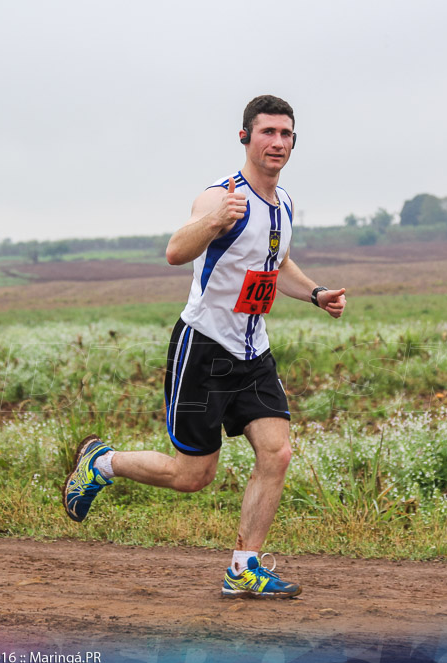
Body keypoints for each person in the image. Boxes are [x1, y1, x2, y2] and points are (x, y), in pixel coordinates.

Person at [63, 95, 346, 599]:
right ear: (245, 137)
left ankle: (243, 568)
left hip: (254, 351)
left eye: (286, 134)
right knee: (194, 476)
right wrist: (215, 222)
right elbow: (175, 252)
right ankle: (101, 463)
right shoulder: (220, 196)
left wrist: (317, 294)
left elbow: (275, 267)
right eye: (267, 133)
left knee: (276, 453)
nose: (277, 142)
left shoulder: (284, 205)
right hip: (205, 348)